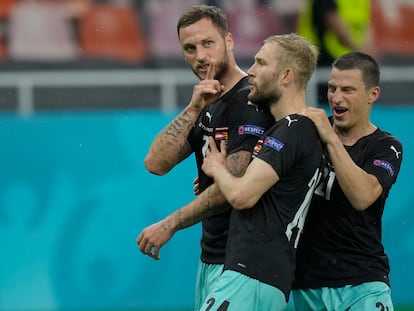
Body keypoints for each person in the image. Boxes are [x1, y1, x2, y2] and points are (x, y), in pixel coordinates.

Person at [136, 5, 275, 309]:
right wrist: (193, 107)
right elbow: (155, 163)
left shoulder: (251, 99)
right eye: (190, 48)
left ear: (229, 40)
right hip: (213, 256)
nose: (200, 55)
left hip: (248, 259)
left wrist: (170, 223)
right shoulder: (206, 103)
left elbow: (235, 184)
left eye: (207, 43)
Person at [199, 33, 324, 311]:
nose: (251, 71)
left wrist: (218, 170)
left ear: (286, 75)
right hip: (262, 275)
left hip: (252, 274)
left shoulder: (293, 129)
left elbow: (242, 196)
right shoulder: (295, 129)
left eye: (261, 63)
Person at [292, 52, 403, 310]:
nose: (336, 97)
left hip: (362, 281)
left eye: (348, 90)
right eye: (332, 88)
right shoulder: (307, 134)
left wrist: (330, 138)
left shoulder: (386, 147)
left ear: (372, 94)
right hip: (308, 283)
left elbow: (362, 196)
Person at [296, 0, 370, 105]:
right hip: (322, 65)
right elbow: (334, 22)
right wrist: (362, 52)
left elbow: (366, 25)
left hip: (343, 64)